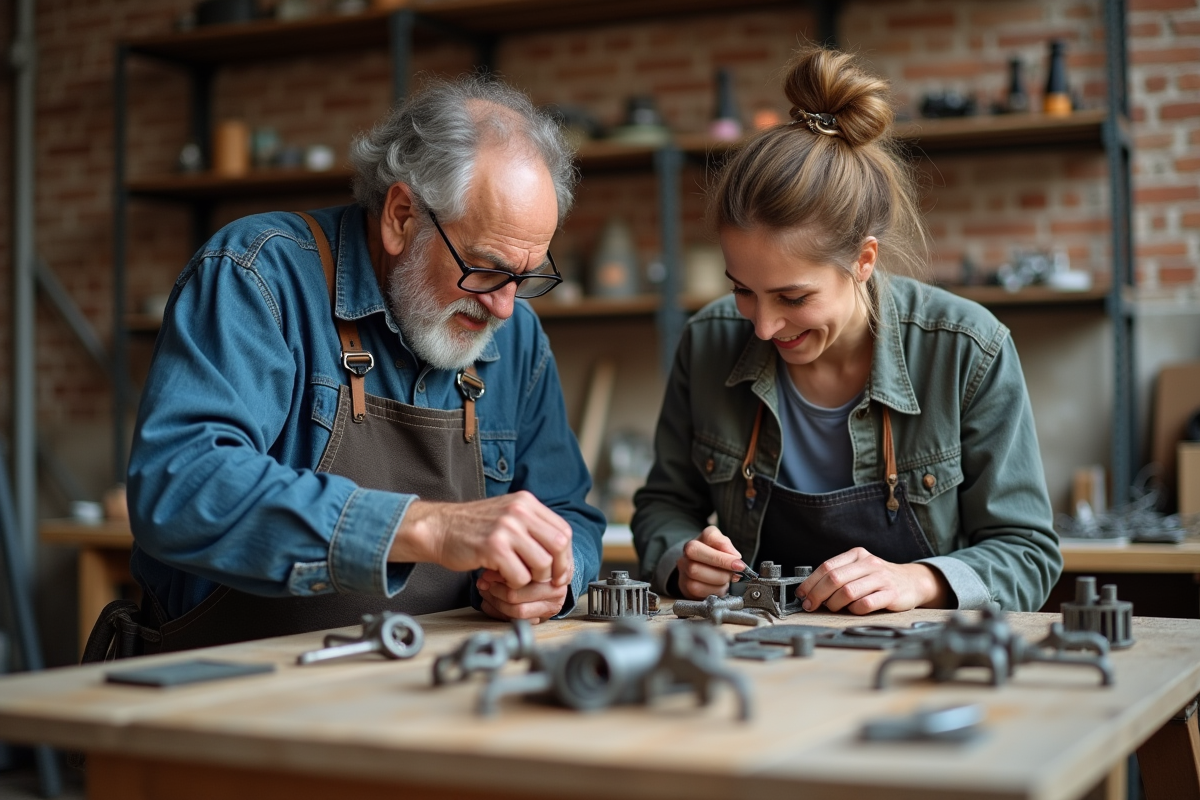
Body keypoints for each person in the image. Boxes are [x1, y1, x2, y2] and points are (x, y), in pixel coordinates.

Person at [124, 76, 605, 653]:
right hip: (236, 689)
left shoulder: (517, 334)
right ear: (401, 216)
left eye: (525, 278)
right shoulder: (258, 277)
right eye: (485, 268)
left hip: (437, 684)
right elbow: (180, 485)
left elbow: (569, 512)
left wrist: (555, 578)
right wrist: (426, 527)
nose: (504, 305)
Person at [631, 47, 1062, 614]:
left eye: (793, 298)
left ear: (863, 260)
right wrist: (681, 559)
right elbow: (663, 506)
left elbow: (1028, 553)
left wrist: (920, 582)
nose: (763, 326)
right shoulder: (708, 341)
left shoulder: (967, 351)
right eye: (742, 290)